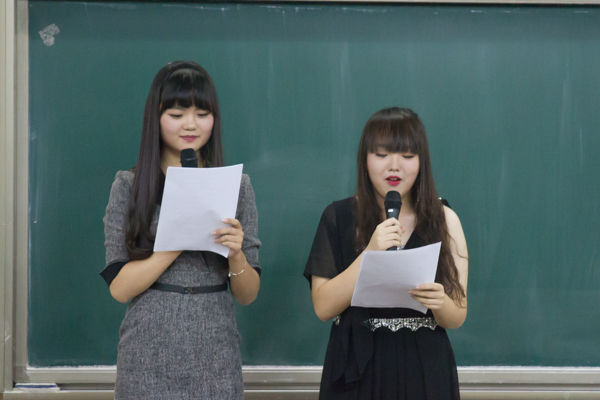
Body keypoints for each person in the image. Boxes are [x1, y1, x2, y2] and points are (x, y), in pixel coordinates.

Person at [100, 61, 261, 399]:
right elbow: (120, 288)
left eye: (202, 114)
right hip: (146, 355)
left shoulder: (236, 186)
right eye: (176, 114)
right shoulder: (128, 186)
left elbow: (248, 294)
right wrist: (179, 236)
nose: (191, 124)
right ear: (156, 119)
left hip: (216, 354)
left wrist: (236, 254)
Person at [304, 107, 468, 399]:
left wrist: (440, 302)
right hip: (356, 369)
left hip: (424, 368)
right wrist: (369, 254)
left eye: (407, 156)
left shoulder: (445, 220)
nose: (394, 167)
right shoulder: (338, 217)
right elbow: (323, 307)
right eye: (381, 155)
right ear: (365, 159)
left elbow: (457, 315)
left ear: (422, 161)